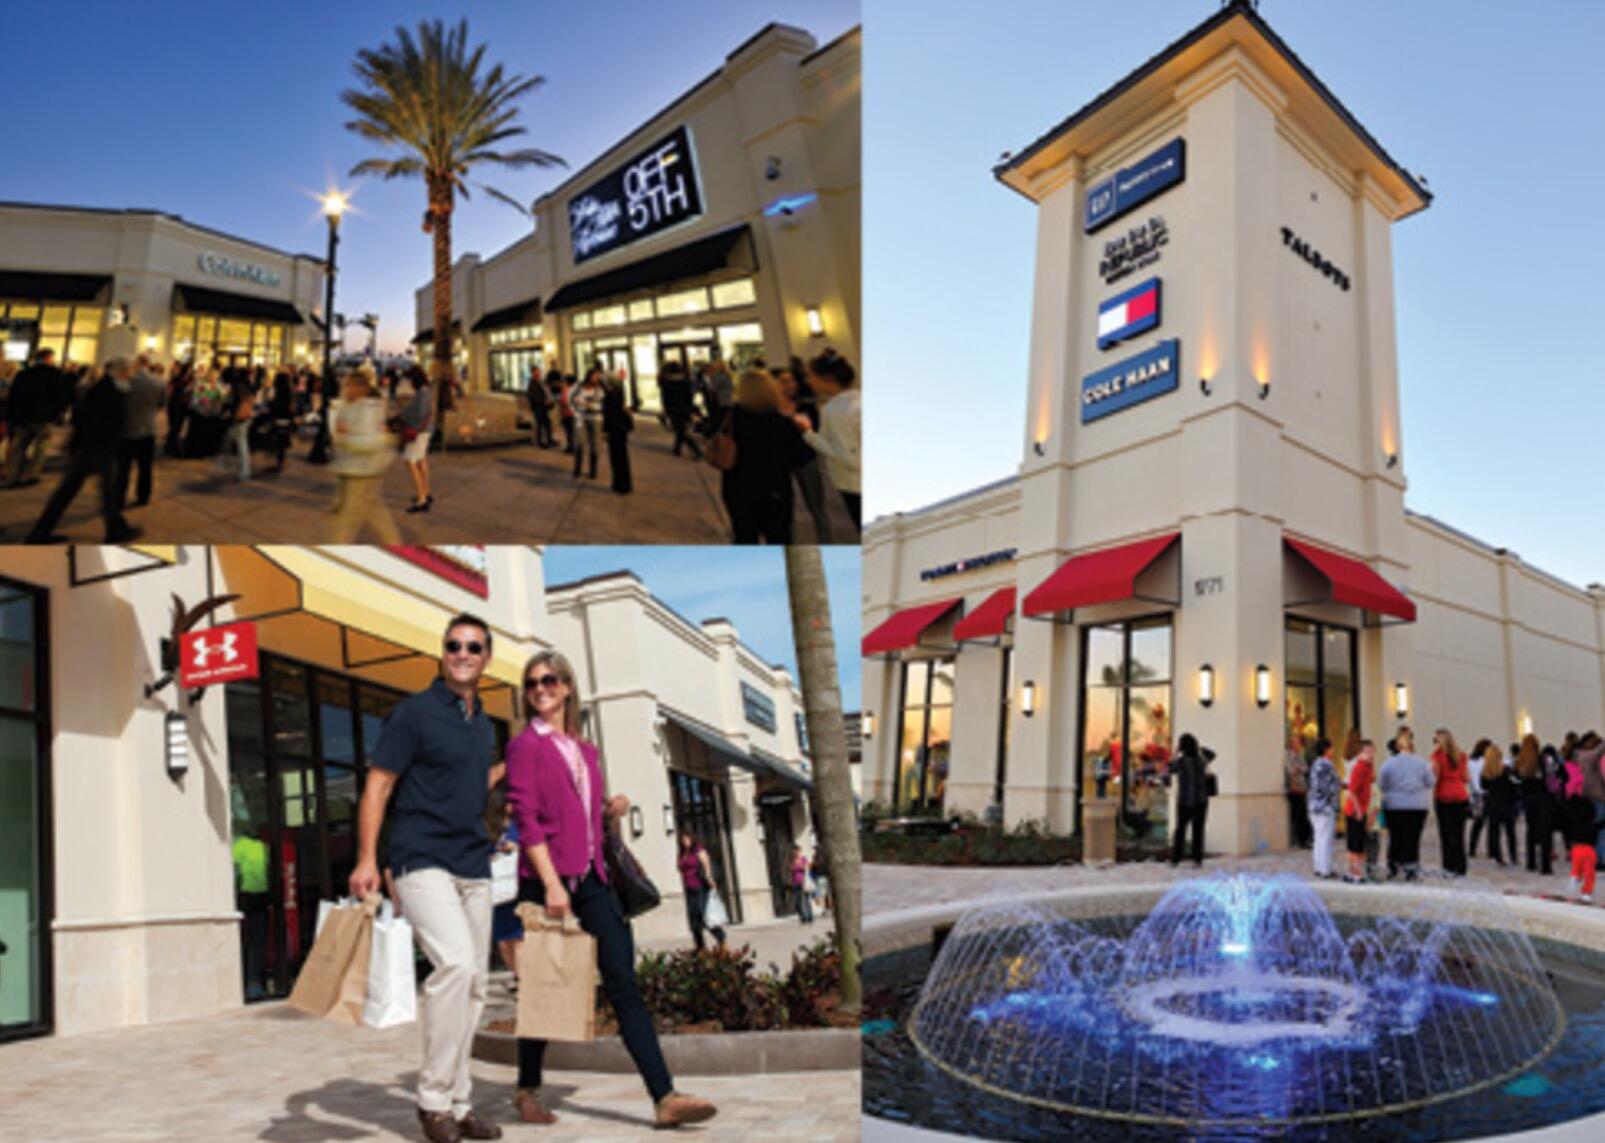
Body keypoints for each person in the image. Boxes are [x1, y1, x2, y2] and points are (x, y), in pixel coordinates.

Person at [504, 649, 716, 1129]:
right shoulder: (525, 746)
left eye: (549, 680)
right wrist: (552, 885)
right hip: (547, 883)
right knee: (545, 986)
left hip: (595, 881)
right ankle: (527, 1089)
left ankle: (664, 1097)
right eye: (532, 683)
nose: (540, 689)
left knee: (623, 983)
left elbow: (576, 816)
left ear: (567, 687)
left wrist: (607, 810)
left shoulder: (586, 752)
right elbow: (527, 821)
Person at [348, 614, 505, 1143]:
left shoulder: (483, 724)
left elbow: (468, 785)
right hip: (420, 855)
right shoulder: (414, 713)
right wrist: (367, 858)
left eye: (473, 647)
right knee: (455, 965)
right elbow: (378, 786)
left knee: (476, 986)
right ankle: (433, 1101)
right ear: (443, 653)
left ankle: (459, 1104)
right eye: (453, 645)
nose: (462, 654)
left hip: (473, 861)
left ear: (486, 658)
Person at [25, 357, 140, 544]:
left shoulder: (101, 388)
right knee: (105, 491)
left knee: (72, 491)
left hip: (89, 446)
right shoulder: (108, 391)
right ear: (121, 372)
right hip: (99, 447)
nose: (131, 375)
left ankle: (41, 532)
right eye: (128, 371)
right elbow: (104, 421)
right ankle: (115, 529)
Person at [721, 369, 813, 544]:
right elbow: (802, 457)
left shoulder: (732, 418)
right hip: (774, 488)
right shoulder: (781, 422)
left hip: (737, 487)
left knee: (744, 537)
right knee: (779, 537)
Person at [328, 366, 401, 543]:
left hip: (362, 471)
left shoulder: (367, 409)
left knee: (348, 519)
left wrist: (345, 439)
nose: (347, 389)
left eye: (351, 385)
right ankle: (394, 543)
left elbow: (371, 442)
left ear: (362, 389)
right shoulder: (348, 406)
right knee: (374, 511)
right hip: (353, 468)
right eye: (346, 385)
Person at [796, 349, 861, 533]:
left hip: (854, 484)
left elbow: (849, 457)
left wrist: (808, 434)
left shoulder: (836, 410)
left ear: (827, 378)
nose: (808, 381)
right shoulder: (857, 400)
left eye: (810, 376)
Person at [776, 366, 833, 542]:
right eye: (784, 381)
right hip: (780, 463)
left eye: (792, 380)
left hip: (806, 459)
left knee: (817, 506)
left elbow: (817, 432)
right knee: (784, 509)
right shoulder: (770, 409)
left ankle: (827, 543)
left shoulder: (805, 406)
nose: (791, 385)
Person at [5, 347, 70, 486]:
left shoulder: (24, 374)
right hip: (43, 417)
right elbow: (61, 396)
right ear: (48, 358)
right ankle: (32, 474)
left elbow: (14, 395)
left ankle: (13, 475)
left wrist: (13, 415)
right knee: (41, 445)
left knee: (19, 446)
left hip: (22, 416)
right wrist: (58, 412)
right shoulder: (55, 374)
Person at [1377, 726, 1432, 880]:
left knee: (1396, 837)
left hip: (1394, 804)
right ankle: (1411, 868)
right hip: (1417, 805)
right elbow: (1430, 782)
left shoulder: (1389, 764)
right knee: (1413, 838)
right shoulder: (1422, 763)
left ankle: (1394, 866)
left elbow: (1382, 784)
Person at [115, 354, 165, 509]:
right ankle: (143, 495)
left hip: (127, 429)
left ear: (137, 363)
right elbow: (161, 404)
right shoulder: (159, 382)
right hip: (148, 428)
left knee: (123, 468)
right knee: (146, 467)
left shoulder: (127, 381)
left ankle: (119, 497)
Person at [1431, 727, 1471, 875]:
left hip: (1444, 796)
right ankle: (1461, 865)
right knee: (1459, 833)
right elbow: (1466, 778)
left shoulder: (1437, 756)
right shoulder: (1461, 756)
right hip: (1460, 796)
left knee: (1446, 834)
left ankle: (1449, 865)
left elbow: (1435, 777)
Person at [676, 831, 726, 951]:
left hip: (700, 887)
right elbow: (679, 867)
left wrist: (709, 877)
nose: (685, 841)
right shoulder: (682, 853)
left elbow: (706, 863)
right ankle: (700, 947)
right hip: (689, 889)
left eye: (687, 839)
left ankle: (721, 938)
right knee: (694, 920)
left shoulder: (698, 849)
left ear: (692, 839)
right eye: (683, 840)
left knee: (704, 915)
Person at [1562, 746, 1600, 901]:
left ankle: (1574, 878)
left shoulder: (1575, 819)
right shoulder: (1592, 823)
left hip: (1576, 848)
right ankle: (1586, 893)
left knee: (1576, 868)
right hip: (1589, 850)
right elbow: (1598, 826)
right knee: (1589, 873)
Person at [1170, 734, 1213, 866]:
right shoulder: (1201, 760)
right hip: (1200, 799)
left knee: (1180, 829)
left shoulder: (1181, 762)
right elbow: (1212, 754)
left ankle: (1176, 858)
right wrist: (1199, 749)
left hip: (1184, 799)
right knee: (1198, 830)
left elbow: (1171, 769)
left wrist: (1175, 753)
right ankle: (1197, 858)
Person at [399, 364, 435, 512]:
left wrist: (404, 415)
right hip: (424, 430)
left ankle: (422, 499)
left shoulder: (422, 393)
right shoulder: (425, 391)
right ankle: (425, 492)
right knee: (420, 461)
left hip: (418, 431)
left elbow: (419, 413)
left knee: (410, 461)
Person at [1513, 734, 1551, 874]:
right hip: (1543, 797)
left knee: (1531, 830)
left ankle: (1531, 861)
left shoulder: (1520, 762)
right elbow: (1550, 777)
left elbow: (1516, 779)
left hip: (1528, 799)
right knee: (1545, 831)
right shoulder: (1543, 759)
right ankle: (1545, 865)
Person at [1343, 740, 1376, 884]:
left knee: (1359, 841)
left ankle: (1353, 872)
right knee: (1355, 843)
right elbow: (1352, 791)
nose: (1370, 755)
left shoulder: (1368, 768)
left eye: (1372, 752)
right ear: (1360, 753)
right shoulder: (1359, 768)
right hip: (1355, 811)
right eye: (1367, 752)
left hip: (1362, 808)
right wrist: (1358, 810)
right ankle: (1355, 873)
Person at [1307, 738, 1340, 878]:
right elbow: (1329, 786)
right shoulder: (1327, 765)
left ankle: (1318, 866)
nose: (1333, 751)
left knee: (1318, 837)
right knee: (1326, 838)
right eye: (1331, 748)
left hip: (1314, 805)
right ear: (1326, 750)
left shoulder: (1315, 764)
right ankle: (1326, 869)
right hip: (1325, 806)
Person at [1482, 743, 1519, 865]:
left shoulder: (1486, 773)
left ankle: (1497, 856)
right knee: (1510, 832)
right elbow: (1513, 788)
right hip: (1507, 804)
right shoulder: (1506, 771)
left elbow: (1484, 787)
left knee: (1495, 832)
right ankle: (1513, 856)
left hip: (1493, 804)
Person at [217, 365, 254, 481]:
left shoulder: (237, 387)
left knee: (238, 443)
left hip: (239, 418)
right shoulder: (246, 386)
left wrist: (229, 411)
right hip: (245, 417)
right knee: (234, 441)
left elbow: (233, 402)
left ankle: (242, 470)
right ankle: (237, 468)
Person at [659, 358, 701, 459]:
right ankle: (677, 449)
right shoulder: (685, 381)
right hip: (685, 408)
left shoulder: (667, 383)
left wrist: (665, 410)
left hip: (673, 409)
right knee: (680, 429)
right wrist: (691, 408)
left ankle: (696, 450)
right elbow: (689, 397)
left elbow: (666, 399)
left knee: (680, 430)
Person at [601, 375, 633, 495]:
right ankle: (625, 484)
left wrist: (605, 430)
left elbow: (608, 416)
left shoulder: (608, 397)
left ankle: (619, 484)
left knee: (615, 457)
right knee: (623, 456)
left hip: (614, 429)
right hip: (622, 428)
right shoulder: (619, 394)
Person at [571, 368, 604, 480]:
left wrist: (591, 406)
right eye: (594, 376)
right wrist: (578, 404)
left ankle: (593, 472)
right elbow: (571, 399)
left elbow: (603, 405)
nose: (596, 378)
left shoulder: (600, 389)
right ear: (589, 376)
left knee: (595, 445)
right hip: (580, 417)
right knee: (580, 442)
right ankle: (577, 469)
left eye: (597, 376)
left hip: (595, 418)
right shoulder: (578, 386)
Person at [1284, 736, 1311, 848]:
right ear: (1292, 744)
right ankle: (1298, 840)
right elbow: (1290, 770)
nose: (1300, 745)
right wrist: (1299, 768)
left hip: (1302, 788)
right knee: (1297, 815)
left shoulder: (1299, 755)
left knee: (1303, 815)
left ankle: (1304, 840)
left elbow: (1305, 768)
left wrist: (1299, 768)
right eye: (1297, 743)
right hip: (1294, 788)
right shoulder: (1289, 755)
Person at [789, 845, 814, 924]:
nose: (795, 853)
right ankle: (803, 917)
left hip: (804, 882)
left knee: (806, 900)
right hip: (796, 882)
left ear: (800, 851)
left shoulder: (803, 859)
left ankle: (809, 916)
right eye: (794, 852)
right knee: (799, 900)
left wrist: (799, 866)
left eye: (797, 851)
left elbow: (807, 867)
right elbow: (790, 868)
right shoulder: (792, 860)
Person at [552, 373, 576, 454]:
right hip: (574, 413)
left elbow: (564, 402)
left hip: (567, 413)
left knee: (569, 431)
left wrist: (561, 403)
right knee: (572, 431)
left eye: (564, 381)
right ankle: (573, 446)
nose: (563, 382)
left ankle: (571, 447)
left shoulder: (566, 390)